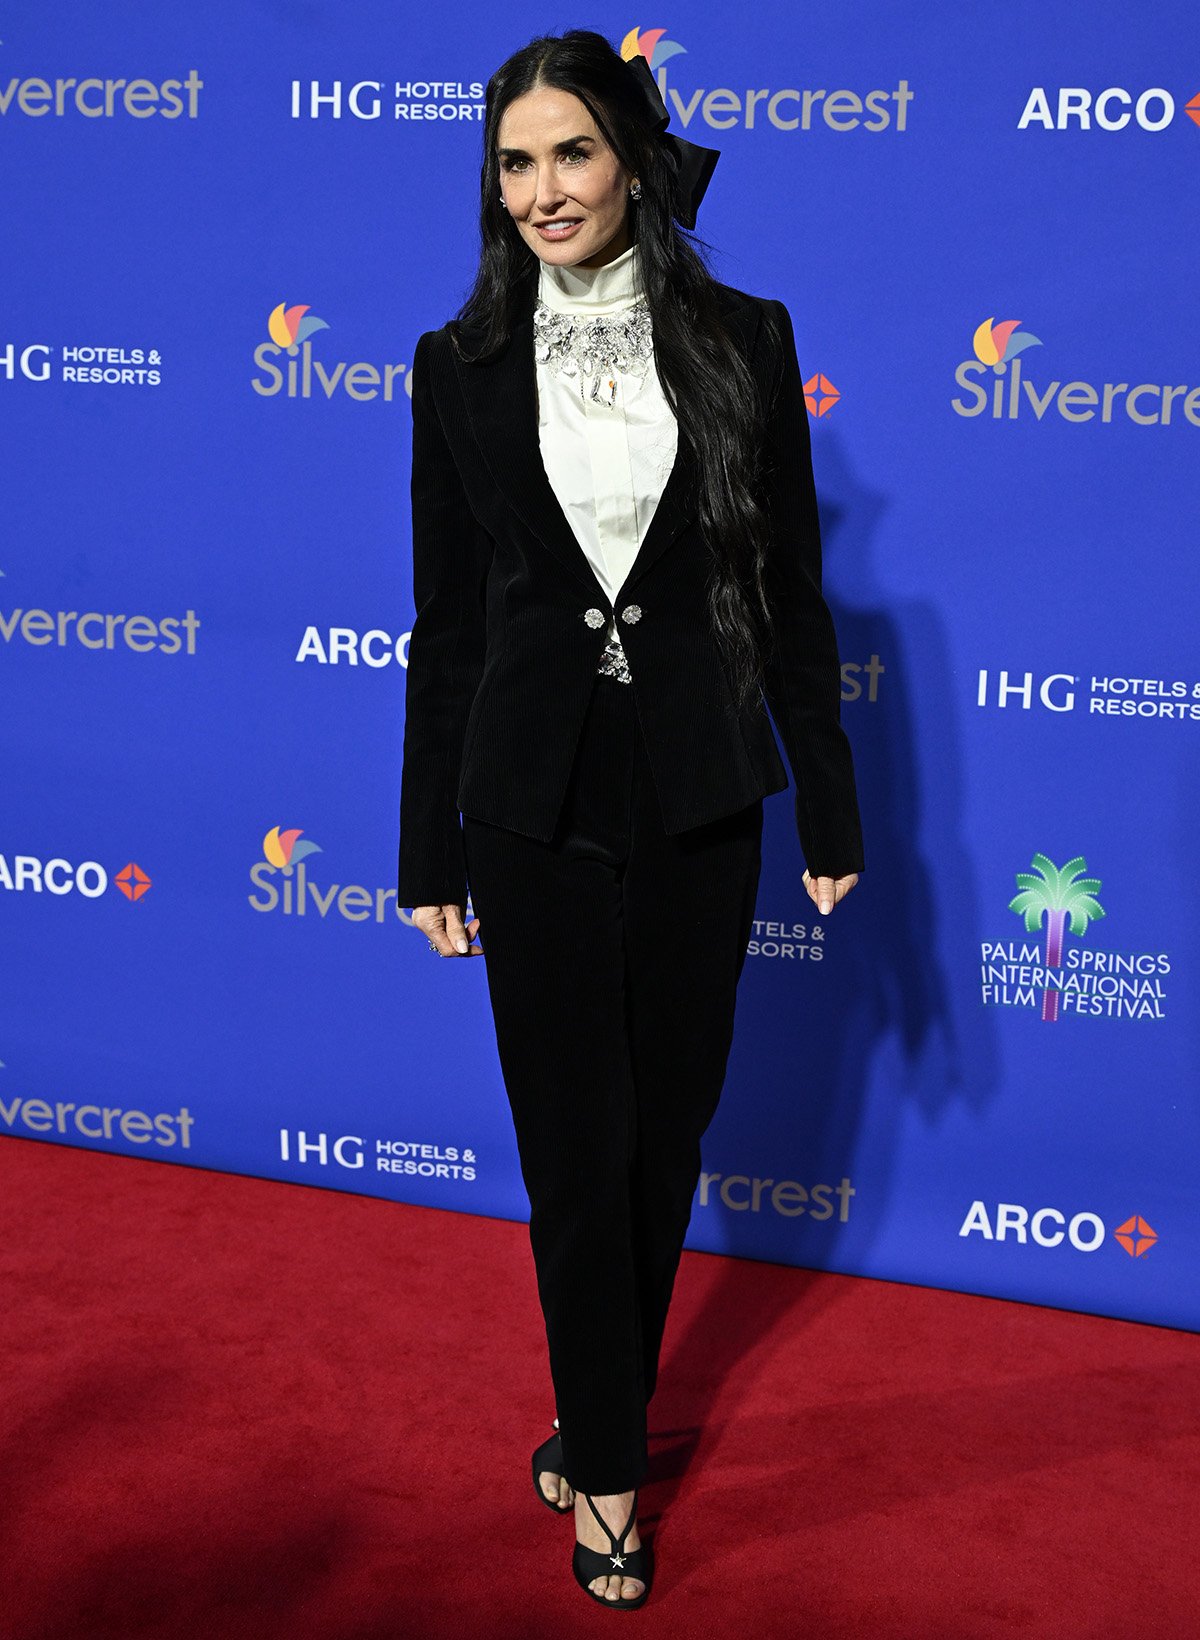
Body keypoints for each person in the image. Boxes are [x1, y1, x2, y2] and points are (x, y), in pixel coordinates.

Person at [397, 28, 863, 1610]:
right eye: (514, 163)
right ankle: (606, 1466)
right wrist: (421, 848)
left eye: (571, 154)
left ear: (633, 158)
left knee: (665, 1140)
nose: (542, 191)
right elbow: (447, 625)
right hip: (528, 801)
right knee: (574, 1152)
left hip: (698, 785)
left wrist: (832, 805)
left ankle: (596, 1396)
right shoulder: (450, 362)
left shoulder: (741, 335)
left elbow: (786, 590)